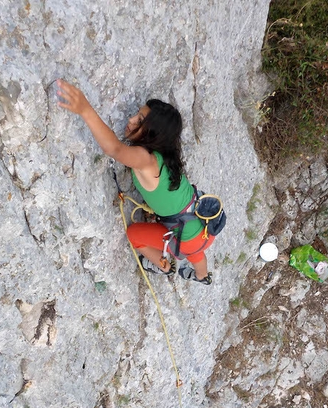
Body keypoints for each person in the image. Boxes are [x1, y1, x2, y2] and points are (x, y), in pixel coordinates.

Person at [56, 80, 215, 285]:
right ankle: (202, 276)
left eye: (139, 119)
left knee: (135, 235)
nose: (131, 120)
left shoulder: (146, 160)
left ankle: (163, 265)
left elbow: (115, 149)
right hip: (204, 224)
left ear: (152, 133)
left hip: (188, 238)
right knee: (195, 253)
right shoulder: (166, 156)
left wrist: (85, 110)